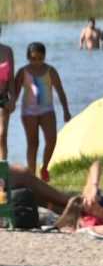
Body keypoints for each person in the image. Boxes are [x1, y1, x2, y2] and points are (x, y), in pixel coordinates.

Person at [16, 42, 70, 181]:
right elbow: (14, 93)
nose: (37, 62)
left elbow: (60, 92)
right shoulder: (23, 72)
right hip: (29, 112)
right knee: (33, 143)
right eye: (33, 58)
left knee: (52, 139)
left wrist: (65, 110)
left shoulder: (50, 71)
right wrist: (8, 107)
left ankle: (44, 167)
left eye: (40, 58)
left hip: (47, 110)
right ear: (28, 57)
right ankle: (32, 176)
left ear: (44, 57)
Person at [0, 26, 14, 162]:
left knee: (2, 135)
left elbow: (11, 78)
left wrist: (13, 98)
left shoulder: (7, 51)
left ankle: (2, 171)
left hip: (3, 97)